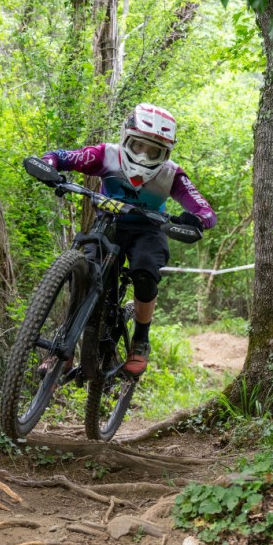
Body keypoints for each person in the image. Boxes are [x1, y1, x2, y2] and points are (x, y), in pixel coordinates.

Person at [39, 103, 216, 376]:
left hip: (149, 229)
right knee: (82, 274)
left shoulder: (171, 174)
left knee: (145, 272)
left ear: (166, 153)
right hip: (107, 224)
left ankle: (140, 341)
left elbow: (205, 211)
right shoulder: (105, 155)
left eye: (154, 151)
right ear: (125, 137)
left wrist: (196, 219)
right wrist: (49, 164)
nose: (144, 155)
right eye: (138, 145)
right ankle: (64, 346)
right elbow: (63, 157)